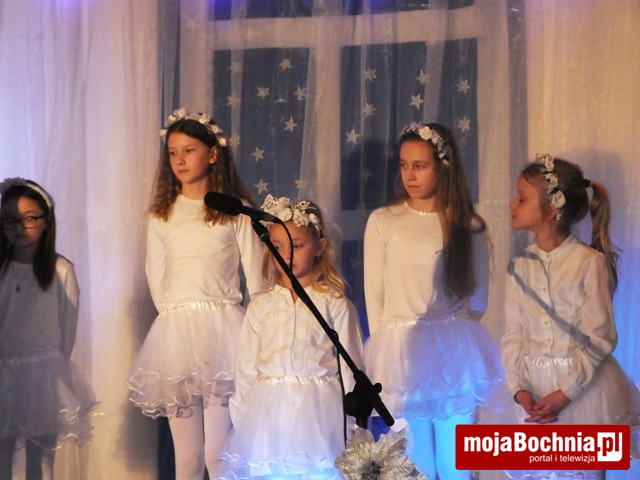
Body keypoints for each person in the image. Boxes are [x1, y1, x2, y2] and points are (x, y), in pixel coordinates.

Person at [126, 108, 264, 480]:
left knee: (217, 454)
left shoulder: (235, 211)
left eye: (189, 150)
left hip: (223, 332)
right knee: (186, 457)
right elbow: (158, 279)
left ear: (212, 153)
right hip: (177, 336)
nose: (180, 160)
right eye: (173, 152)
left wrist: (257, 334)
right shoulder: (162, 215)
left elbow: (257, 280)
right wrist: (178, 324)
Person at [363, 123, 503, 479]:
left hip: (452, 355)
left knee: (456, 463)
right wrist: (388, 358)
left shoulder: (467, 225)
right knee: (416, 462)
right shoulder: (384, 221)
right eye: (404, 165)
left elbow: (478, 301)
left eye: (420, 166)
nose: (410, 175)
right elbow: (375, 299)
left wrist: (445, 331)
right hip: (402, 355)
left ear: (442, 167)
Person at [502, 154, 640, 479]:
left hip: (583, 394)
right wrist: (519, 390)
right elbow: (513, 335)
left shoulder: (589, 263)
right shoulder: (519, 267)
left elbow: (600, 338)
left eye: (521, 198)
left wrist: (565, 393)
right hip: (533, 394)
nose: (511, 205)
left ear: (551, 209)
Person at [219, 195, 364, 479]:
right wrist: (245, 421)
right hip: (270, 417)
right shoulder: (262, 306)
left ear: (319, 246)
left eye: (297, 246)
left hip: (319, 416)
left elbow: (352, 369)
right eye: (278, 247)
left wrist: (353, 426)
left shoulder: (334, 303)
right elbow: (246, 370)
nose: (287, 255)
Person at [0, 178, 96, 480]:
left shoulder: (60, 270)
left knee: (41, 461)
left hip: (42, 377)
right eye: (10, 219)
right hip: (3, 372)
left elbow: (67, 329)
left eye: (29, 218)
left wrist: (50, 368)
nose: (19, 227)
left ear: (46, 221)